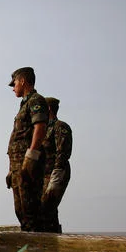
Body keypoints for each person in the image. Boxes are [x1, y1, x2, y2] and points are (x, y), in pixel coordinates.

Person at [6, 67, 49, 232]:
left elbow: (40, 127)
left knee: (31, 210)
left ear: (23, 81)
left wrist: (31, 156)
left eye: (14, 83)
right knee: (21, 210)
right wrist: (12, 171)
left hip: (28, 165)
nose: (13, 87)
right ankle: (28, 251)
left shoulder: (36, 100)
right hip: (18, 167)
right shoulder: (24, 104)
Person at [40, 97, 73, 233]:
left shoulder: (60, 127)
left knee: (47, 208)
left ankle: (52, 240)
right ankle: (51, 240)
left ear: (48, 109)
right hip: (43, 175)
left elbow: (63, 153)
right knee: (45, 211)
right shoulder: (43, 129)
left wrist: (56, 178)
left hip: (56, 173)